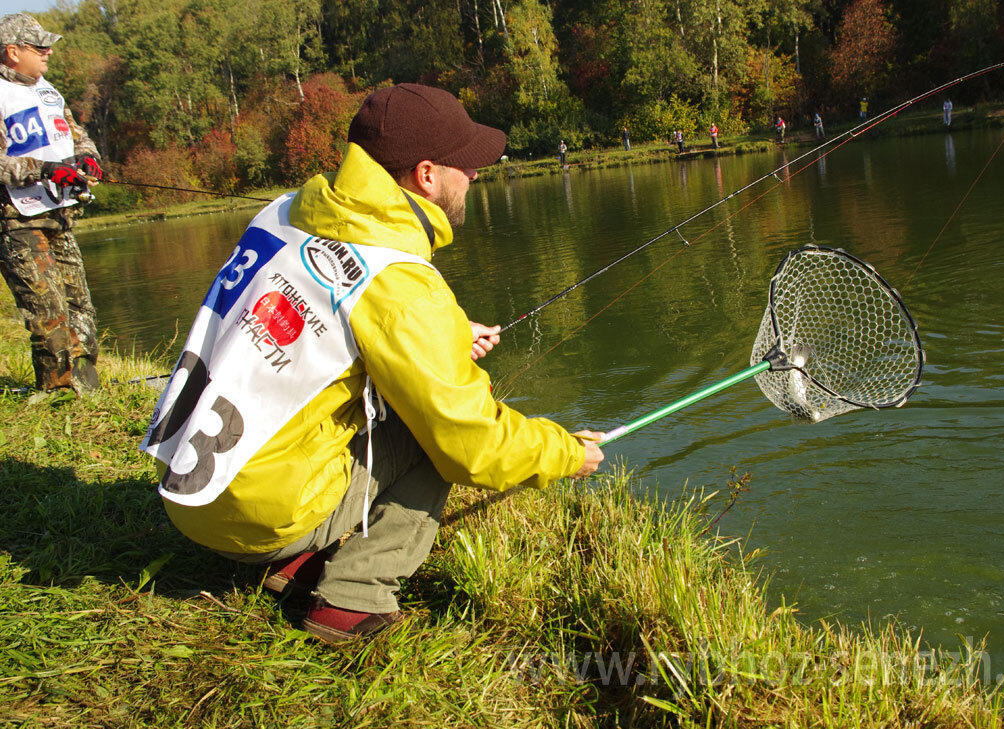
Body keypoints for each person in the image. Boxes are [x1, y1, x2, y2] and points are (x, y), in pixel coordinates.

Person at [139, 83, 605, 643]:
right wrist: (566, 454)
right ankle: (351, 600)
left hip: (186, 492)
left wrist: (452, 333)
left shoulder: (286, 210)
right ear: (426, 175)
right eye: (467, 166)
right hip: (253, 515)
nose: (476, 176)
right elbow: (473, 444)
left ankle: (291, 562)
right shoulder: (402, 285)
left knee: (395, 399)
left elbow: (338, 310)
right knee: (434, 442)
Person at [0, 13, 102, 394]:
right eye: (38, 46)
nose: (47, 52)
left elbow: (78, 136)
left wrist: (87, 158)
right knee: (48, 314)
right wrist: (43, 169)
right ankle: (56, 393)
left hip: (59, 214)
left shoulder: (49, 90)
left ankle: (86, 386)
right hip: (17, 221)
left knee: (80, 308)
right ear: (12, 52)